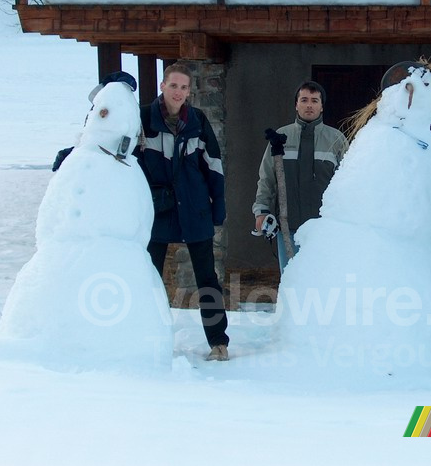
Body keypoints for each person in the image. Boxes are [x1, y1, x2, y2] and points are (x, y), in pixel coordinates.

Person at [135, 63, 230, 361]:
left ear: (189, 92)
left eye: (184, 87)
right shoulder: (142, 119)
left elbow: (214, 165)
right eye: (173, 86)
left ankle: (218, 342)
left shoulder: (197, 121)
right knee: (148, 277)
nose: (178, 92)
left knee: (207, 279)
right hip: (157, 211)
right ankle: (142, 339)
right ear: (162, 86)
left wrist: (218, 209)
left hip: (194, 208)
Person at [252, 81, 349, 273]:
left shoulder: (336, 140)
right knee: (291, 281)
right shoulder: (280, 137)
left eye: (314, 100)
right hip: (288, 227)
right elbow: (267, 179)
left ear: (322, 106)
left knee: (323, 281)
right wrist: (261, 210)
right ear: (296, 104)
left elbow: (349, 184)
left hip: (324, 229)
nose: (309, 105)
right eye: (304, 100)